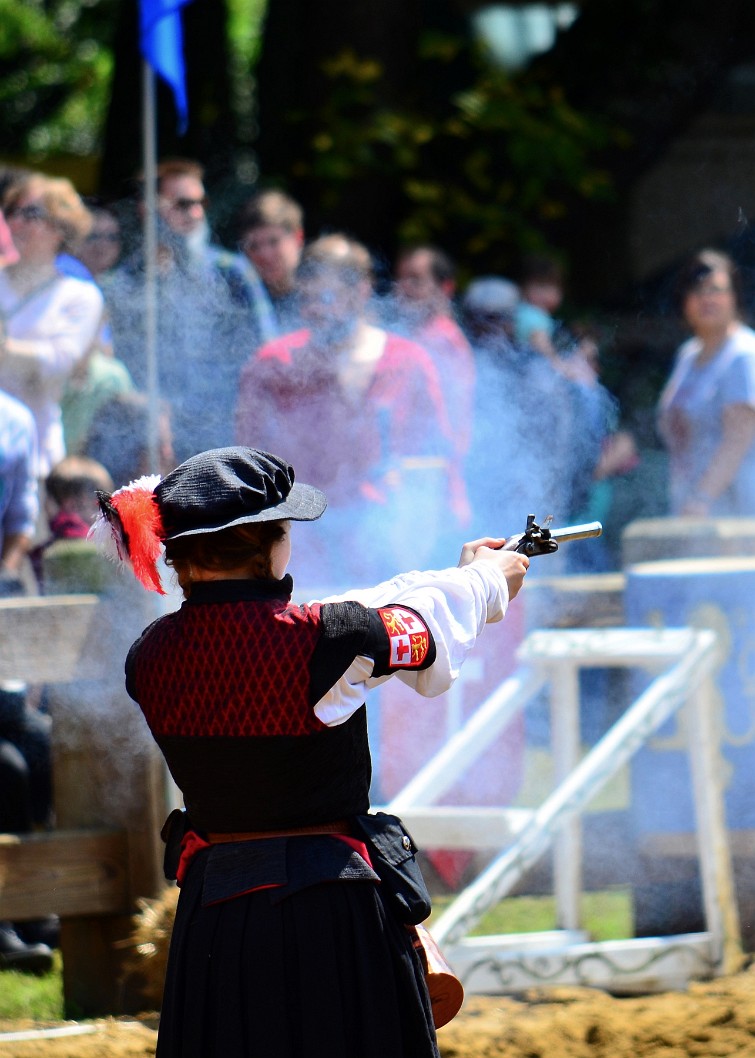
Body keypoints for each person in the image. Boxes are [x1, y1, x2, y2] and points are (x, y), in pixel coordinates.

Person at [91, 445, 529, 1058]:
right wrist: (485, 581)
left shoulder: (150, 655)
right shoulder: (327, 640)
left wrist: (453, 576)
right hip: (327, 914)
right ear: (266, 542)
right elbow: (418, 635)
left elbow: (342, 618)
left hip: (216, 914)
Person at [235, 235, 452, 584]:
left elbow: (436, 458)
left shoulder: (407, 362)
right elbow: (247, 462)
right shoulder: (274, 365)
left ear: (361, 291)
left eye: (326, 297)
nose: (314, 310)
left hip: (385, 547)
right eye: (306, 298)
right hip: (301, 547)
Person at [103, 159, 276, 461]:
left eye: (201, 203)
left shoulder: (233, 273)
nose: (196, 213)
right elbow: (112, 368)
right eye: (182, 204)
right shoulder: (124, 283)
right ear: (149, 209)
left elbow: (268, 354)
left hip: (224, 438)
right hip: (144, 444)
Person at [0, 172, 105, 479]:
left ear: (60, 226)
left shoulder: (80, 296)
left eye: (30, 213)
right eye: (11, 212)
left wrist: (5, 351)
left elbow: (59, 362)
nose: (16, 223)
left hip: (34, 457)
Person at [657, 248, 755, 516]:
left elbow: (738, 438)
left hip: (734, 509)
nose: (707, 299)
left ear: (734, 297)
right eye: (698, 291)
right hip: (690, 501)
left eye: (716, 290)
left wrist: (701, 499)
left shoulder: (743, 354)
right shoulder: (687, 355)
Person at [394, 245, 476, 538]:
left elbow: (450, 426)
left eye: (416, 279)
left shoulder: (442, 340)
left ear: (446, 287)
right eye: (402, 279)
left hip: (431, 482)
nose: (404, 288)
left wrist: (448, 488)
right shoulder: (416, 337)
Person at [237, 188, 305, 328]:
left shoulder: (320, 302)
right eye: (253, 246)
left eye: (274, 242)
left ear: (298, 238)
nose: (265, 255)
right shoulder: (239, 306)